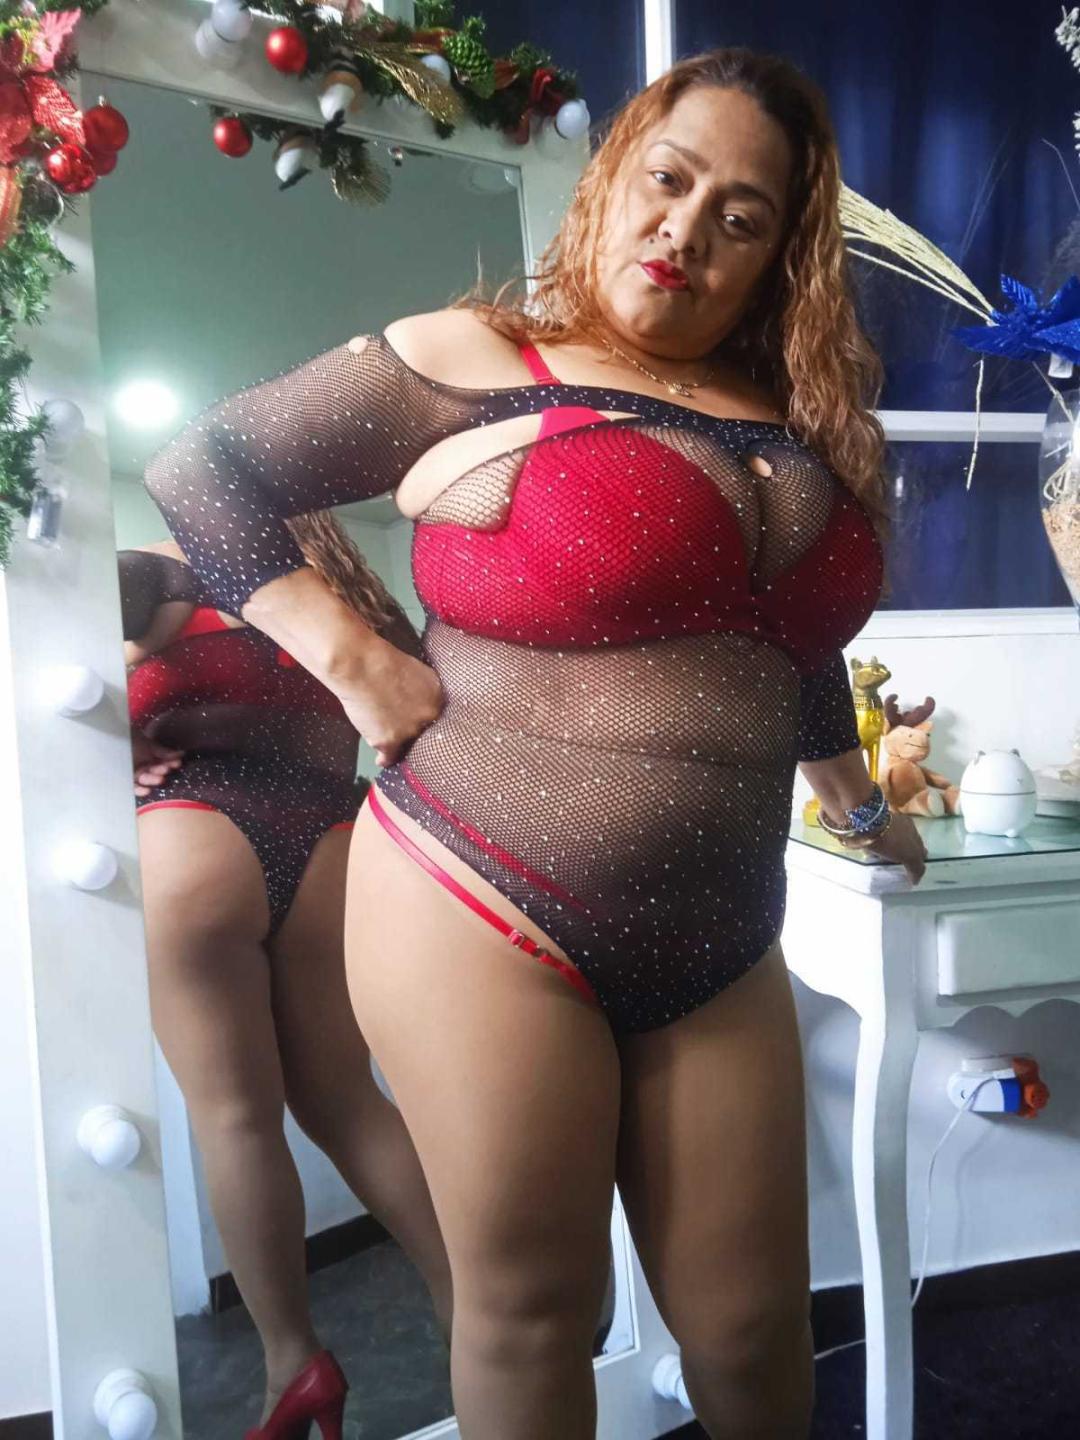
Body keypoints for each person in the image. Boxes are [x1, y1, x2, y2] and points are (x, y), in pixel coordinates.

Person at [142, 46, 928, 1440]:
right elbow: (207, 470)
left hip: (722, 929)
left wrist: (858, 804)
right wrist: (354, 662)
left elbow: (786, 646)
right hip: (481, 896)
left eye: (739, 216)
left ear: (778, 257)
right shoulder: (479, 361)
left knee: (753, 1333)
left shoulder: (797, 422)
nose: (685, 230)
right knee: (531, 1310)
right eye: (667, 180)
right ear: (612, 175)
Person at [121, 514, 452, 1440]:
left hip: (194, 838)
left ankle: (291, 1362)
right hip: (332, 843)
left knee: (234, 1118)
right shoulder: (345, 587)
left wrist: (113, 738)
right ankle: (479, 1306)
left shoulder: (156, 570)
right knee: (348, 1101)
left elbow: (47, 692)